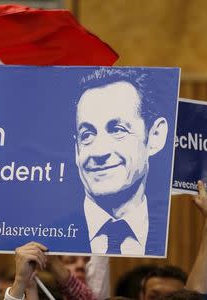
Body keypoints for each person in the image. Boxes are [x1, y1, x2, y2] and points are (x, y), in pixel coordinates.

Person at [74, 69, 169, 254]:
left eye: (117, 130)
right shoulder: (51, 238)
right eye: (87, 135)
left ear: (155, 136)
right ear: (75, 148)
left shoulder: (177, 235)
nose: (99, 151)